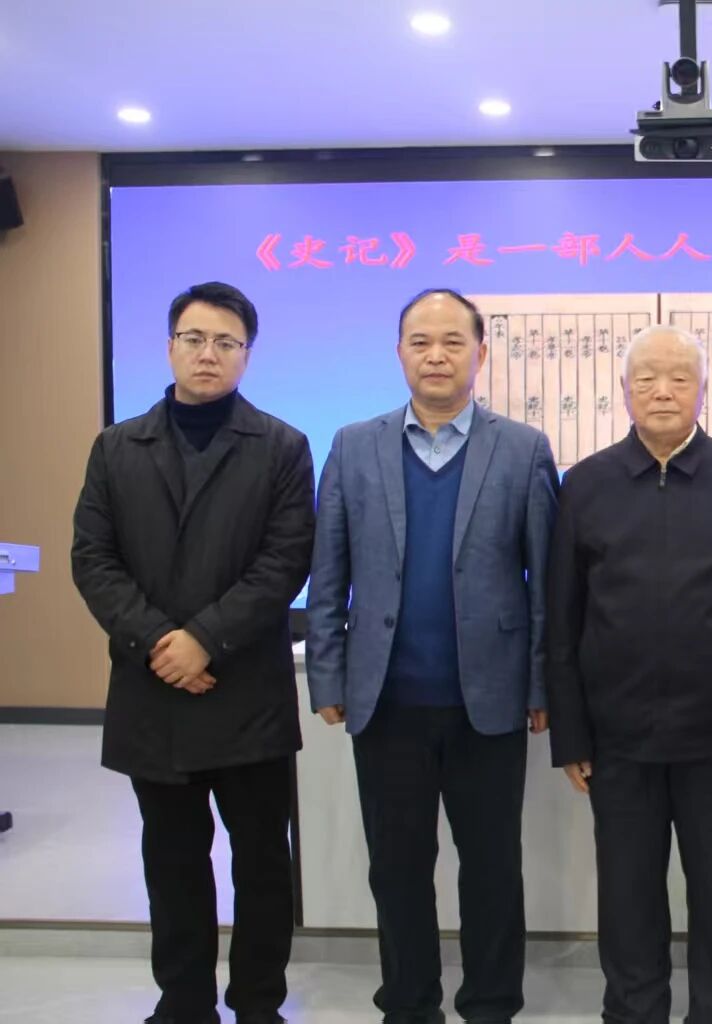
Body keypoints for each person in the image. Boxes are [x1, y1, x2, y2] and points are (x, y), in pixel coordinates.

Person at [305, 289, 559, 1024]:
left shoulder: (523, 449)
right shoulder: (354, 444)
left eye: (453, 342)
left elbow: (546, 582)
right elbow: (329, 572)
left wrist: (540, 685)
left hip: (490, 701)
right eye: (421, 342)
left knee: (492, 868)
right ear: (399, 354)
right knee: (397, 868)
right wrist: (327, 673)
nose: (437, 355)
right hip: (386, 700)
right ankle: (409, 1003)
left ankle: (491, 1003)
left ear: (481, 353)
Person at [72, 281, 314, 1024]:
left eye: (226, 342)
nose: (209, 354)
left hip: (246, 693)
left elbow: (284, 561)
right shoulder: (117, 447)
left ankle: (259, 1004)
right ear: (170, 345)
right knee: (172, 861)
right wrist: (159, 642)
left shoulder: (281, 447)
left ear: (247, 354)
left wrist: (205, 639)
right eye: (194, 339)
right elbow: (93, 559)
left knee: (263, 862)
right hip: (154, 692)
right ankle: (182, 1002)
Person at [546, 324, 712, 1024]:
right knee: (627, 898)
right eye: (647, 379)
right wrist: (571, 734)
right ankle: (633, 1012)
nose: (662, 391)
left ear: (702, 391)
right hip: (616, 739)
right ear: (624, 392)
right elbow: (561, 619)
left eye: (679, 378)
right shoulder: (585, 484)